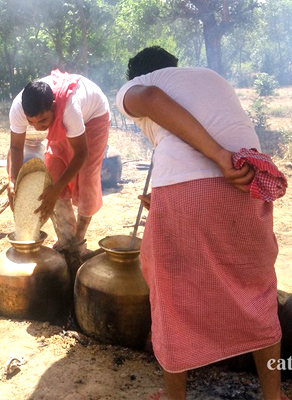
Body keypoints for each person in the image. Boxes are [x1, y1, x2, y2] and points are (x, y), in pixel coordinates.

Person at [116, 46, 288, 400]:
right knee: (255, 288)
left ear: (135, 74)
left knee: (171, 292)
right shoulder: (208, 77)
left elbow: (148, 97)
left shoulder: (141, 85)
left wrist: (217, 157)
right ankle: (273, 395)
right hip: (248, 181)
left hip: (200, 183)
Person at [8, 71, 110, 257]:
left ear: (53, 107)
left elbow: (81, 153)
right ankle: (66, 238)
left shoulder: (69, 109)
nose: (37, 127)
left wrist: (57, 189)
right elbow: (15, 147)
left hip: (94, 116)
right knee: (53, 173)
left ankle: (78, 241)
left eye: (42, 121)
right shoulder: (18, 108)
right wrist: (12, 179)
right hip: (67, 122)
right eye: (31, 122)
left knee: (87, 176)